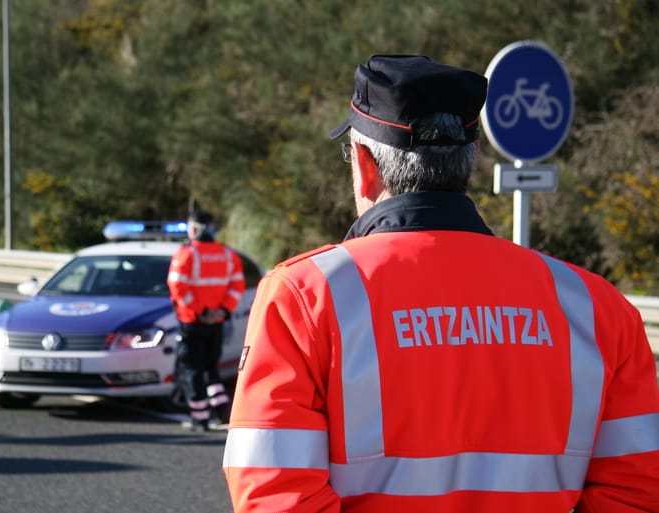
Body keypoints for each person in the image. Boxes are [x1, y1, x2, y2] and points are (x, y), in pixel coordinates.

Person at [223, 55, 659, 512]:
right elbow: (636, 491)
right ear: (466, 161)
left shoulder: (305, 296)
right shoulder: (594, 306)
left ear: (365, 166)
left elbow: (275, 494)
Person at [166, 209, 245, 431]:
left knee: (192, 369)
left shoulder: (186, 254)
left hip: (193, 321)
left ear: (194, 229)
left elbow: (177, 287)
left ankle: (199, 418)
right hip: (217, 323)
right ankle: (222, 413)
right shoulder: (228, 255)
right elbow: (237, 287)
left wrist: (201, 312)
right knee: (211, 369)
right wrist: (221, 312)